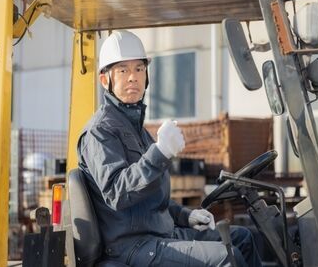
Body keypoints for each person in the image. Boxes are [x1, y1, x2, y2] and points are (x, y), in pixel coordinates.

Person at [77, 30, 262, 266]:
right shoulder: (100, 131)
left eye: (139, 69)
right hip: (133, 246)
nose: (133, 77)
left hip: (161, 235)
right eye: (123, 70)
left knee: (243, 238)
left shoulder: (137, 129)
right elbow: (117, 193)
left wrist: (187, 215)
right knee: (227, 257)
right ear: (105, 80)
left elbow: (152, 198)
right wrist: (160, 152)